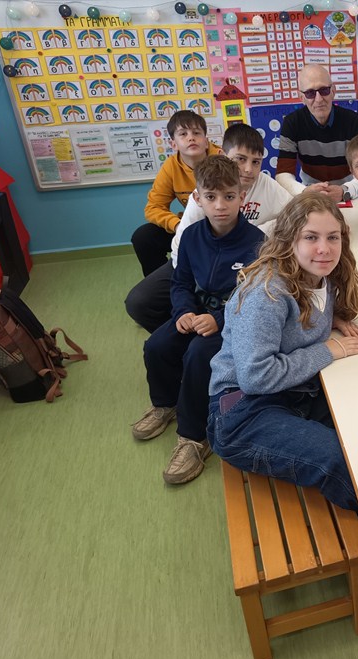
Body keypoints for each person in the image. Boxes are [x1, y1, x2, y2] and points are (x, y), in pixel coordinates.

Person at [207, 192, 358, 510]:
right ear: (288, 240)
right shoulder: (266, 294)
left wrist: (330, 318)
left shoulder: (320, 276)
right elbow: (255, 376)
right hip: (243, 412)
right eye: (311, 237)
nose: (324, 248)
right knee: (340, 459)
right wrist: (328, 350)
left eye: (332, 237)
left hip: (294, 392)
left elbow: (299, 319)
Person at [133, 155, 264, 485]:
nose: (220, 205)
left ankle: (194, 437)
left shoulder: (258, 243)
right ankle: (165, 404)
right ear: (197, 198)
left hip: (233, 322)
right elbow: (180, 283)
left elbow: (254, 298)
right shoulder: (191, 236)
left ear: (242, 197)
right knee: (156, 346)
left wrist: (218, 319)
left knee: (198, 355)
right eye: (211, 196)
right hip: (194, 313)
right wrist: (183, 312)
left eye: (229, 196)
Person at [125, 123, 290, 333]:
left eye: (256, 162)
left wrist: (265, 228)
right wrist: (187, 298)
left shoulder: (267, 185)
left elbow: (295, 215)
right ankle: (183, 328)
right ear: (223, 155)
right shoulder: (206, 190)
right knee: (139, 303)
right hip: (197, 261)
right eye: (240, 159)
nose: (248, 169)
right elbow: (183, 241)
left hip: (238, 262)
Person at [132, 110, 222, 277]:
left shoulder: (223, 160)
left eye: (196, 133)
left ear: (206, 141)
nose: (191, 138)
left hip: (222, 225)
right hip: (190, 225)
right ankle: (165, 282)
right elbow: (153, 208)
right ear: (173, 144)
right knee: (143, 237)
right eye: (183, 134)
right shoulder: (171, 167)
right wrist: (178, 225)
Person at [275, 64, 358, 203]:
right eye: (310, 93)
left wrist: (344, 191)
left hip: (349, 192)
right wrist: (304, 192)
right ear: (301, 97)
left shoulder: (354, 121)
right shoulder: (291, 123)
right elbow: (283, 173)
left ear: (333, 91)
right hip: (309, 193)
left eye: (324, 90)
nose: (318, 99)